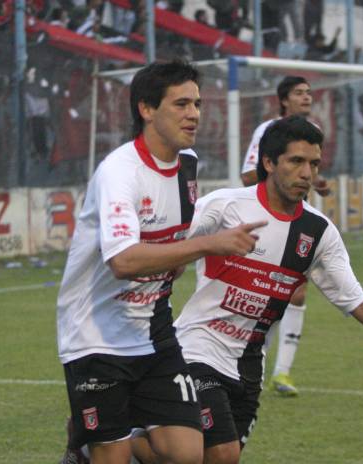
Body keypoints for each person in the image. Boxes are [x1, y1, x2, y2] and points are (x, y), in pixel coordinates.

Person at [175, 115, 363, 463]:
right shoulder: (225, 205)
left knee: (217, 458)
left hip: (249, 364)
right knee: (222, 452)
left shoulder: (318, 231)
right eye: (296, 161)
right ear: (269, 162)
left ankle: (122, 450)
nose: (307, 173)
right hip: (197, 348)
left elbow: (350, 293)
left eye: (313, 163)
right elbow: (171, 245)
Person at [57, 60, 265, 464]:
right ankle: (83, 448)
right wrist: (209, 244)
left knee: (186, 453)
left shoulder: (187, 164)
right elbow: (123, 261)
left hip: (153, 329)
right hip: (95, 334)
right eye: (181, 104)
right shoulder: (120, 172)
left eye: (197, 104)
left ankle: (90, 438)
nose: (194, 114)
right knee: (112, 457)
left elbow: (173, 246)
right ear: (147, 109)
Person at [240, 75, 329, 397]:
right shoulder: (267, 131)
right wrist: (278, 178)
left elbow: (307, 175)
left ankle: (283, 372)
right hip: (266, 220)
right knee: (264, 291)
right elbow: (247, 175)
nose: (306, 98)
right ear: (283, 100)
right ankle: (253, 362)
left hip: (298, 222)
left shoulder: (313, 131)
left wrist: (316, 183)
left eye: (309, 93)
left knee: (298, 291)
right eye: (299, 93)